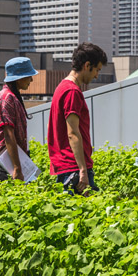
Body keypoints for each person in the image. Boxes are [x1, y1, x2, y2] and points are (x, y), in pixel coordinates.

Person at [48, 42, 107, 194]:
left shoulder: (62, 87)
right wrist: (82, 170)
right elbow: (72, 133)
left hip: (67, 167)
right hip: (74, 168)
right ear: (87, 65)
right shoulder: (71, 91)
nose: (96, 75)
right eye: (97, 70)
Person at [0, 57, 39, 181]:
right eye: (29, 76)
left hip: (14, 162)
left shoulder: (12, 96)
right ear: (19, 78)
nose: (31, 80)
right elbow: (8, 135)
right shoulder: (6, 98)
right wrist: (17, 168)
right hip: (7, 165)